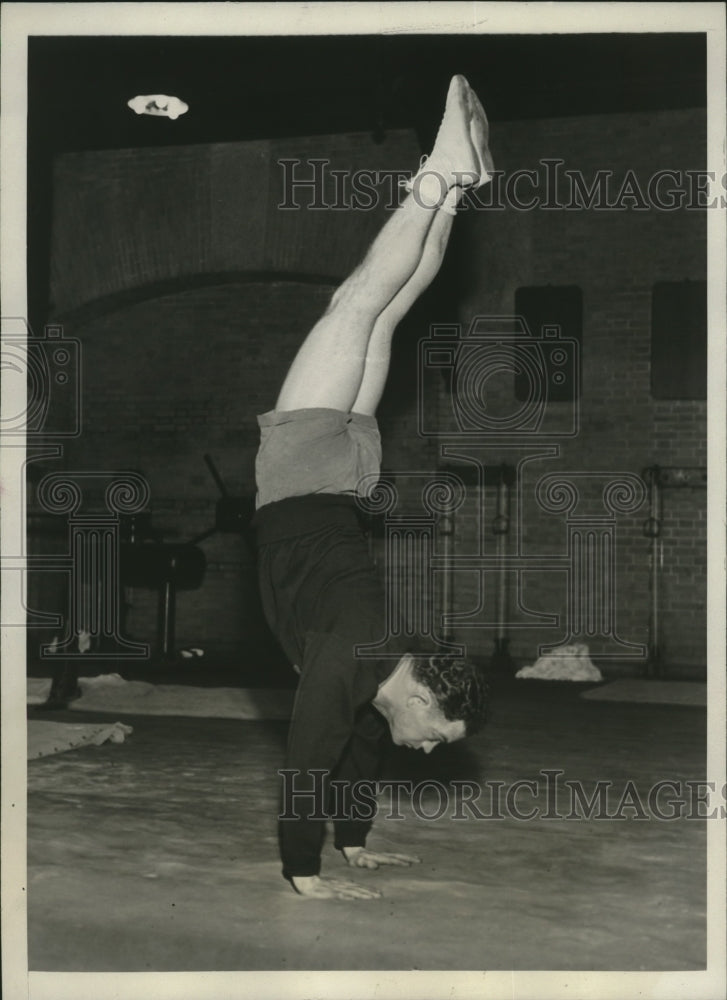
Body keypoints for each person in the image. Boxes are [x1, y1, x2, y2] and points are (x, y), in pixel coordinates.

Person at [252, 75, 493, 900]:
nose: (427, 749)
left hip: (348, 480)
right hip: (306, 480)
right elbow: (307, 754)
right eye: (436, 732)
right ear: (418, 690)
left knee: (377, 315)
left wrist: (351, 845)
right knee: (357, 303)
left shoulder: (381, 660)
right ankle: (440, 172)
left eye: (435, 740)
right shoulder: (360, 651)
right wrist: (304, 875)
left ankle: (453, 189)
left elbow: (349, 748)